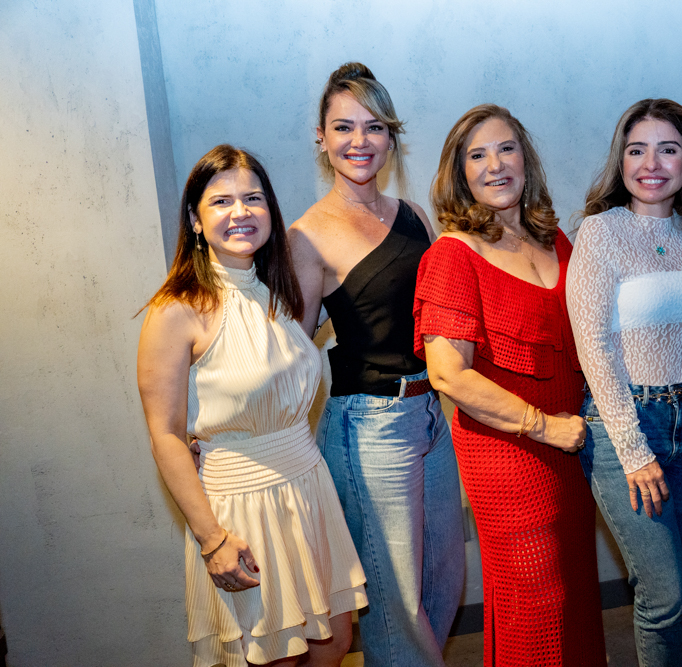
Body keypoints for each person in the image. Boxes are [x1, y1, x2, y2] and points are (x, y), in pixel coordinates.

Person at [137, 145, 366, 667]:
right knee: (275, 657)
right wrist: (212, 540)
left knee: (333, 645)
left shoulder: (278, 292)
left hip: (308, 490)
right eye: (221, 202)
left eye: (253, 198)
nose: (240, 212)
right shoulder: (176, 310)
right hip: (242, 507)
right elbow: (166, 434)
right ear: (195, 220)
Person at [414, 104, 606, 666]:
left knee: (575, 587)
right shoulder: (453, 256)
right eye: (477, 156)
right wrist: (543, 427)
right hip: (509, 450)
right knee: (537, 598)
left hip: (573, 445)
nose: (495, 165)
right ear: (460, 174)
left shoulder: (556, 240)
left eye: (506, 149)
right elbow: (448, 374)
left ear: (526, 159)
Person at [287, 63, 465, 667]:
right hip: (369, 426)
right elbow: (291, 350)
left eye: (374, 127)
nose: (359, 141)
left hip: (431, 414)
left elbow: (442, 314)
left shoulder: (414, 213)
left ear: (391, 136)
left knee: (443, 579)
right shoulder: (307, 236)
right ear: (321, 138)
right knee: (395, 604)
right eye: (343, 127)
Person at [566, 99, 682, 666]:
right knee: (664, 595)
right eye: (637, 150)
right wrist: (634, 451)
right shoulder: (599, 232)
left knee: (681, 581)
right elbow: (595, 346)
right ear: (621, 160)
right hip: (627, 422)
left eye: (667, 149)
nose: (651, 163)